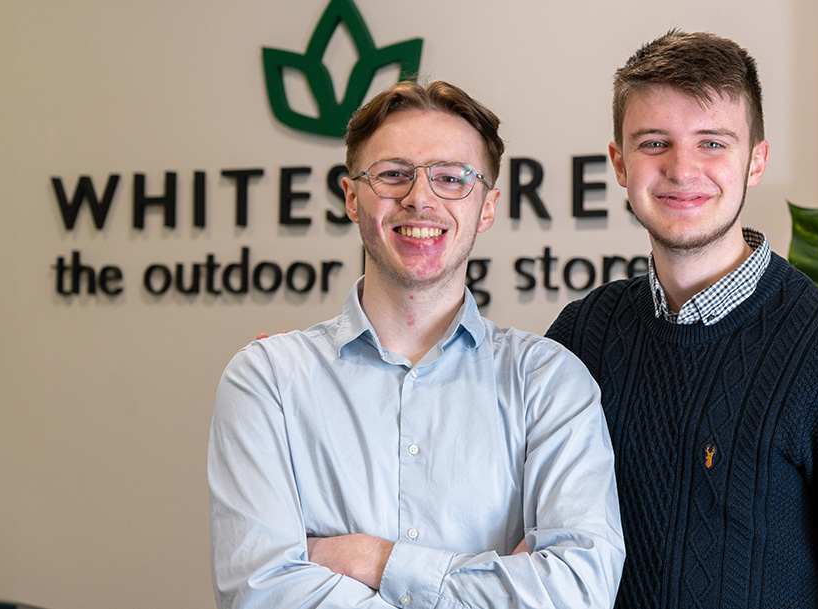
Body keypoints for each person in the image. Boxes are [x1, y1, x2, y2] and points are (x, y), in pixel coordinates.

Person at [208, 80, 624, 609]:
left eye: (451, 178)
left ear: (488, 207)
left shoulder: (549, 381)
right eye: (392, 174)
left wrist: (372, 560)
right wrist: (501, 583)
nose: (420, 198)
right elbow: (260, 596)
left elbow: (578, 594)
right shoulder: (267, 381)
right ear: (351, 197)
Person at [545, 31, 818, 608]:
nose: (682, 168)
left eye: (712, 143)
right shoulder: (582, 336)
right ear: (620, 164)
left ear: (756, 162)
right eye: (654, 143)